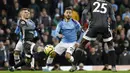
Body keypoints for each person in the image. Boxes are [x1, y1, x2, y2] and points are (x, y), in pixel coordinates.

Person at [70, 0, 117, 72]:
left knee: (82, 44)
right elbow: (113, 19)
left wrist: (83, 24)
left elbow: (84, 13)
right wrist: (113, 29)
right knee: (110, 45)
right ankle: (113, 67)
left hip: (93, 26)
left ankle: (74, 66)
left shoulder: (92, 3)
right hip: (105, 26)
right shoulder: (109, 4)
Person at [43, 7, 82, 72]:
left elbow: (82, 32)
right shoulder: (61, 23)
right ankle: (46, 67)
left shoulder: (76, 23)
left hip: (72, 43)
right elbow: (56, 32)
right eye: (67, 12)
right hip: (63, 42)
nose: (68, 14)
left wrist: (78, 42)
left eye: (70, 13)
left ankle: (74, 65)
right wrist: (59, 35)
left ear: (72, 14)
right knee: (52, 53)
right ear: (64, 13)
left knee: (67, 56)